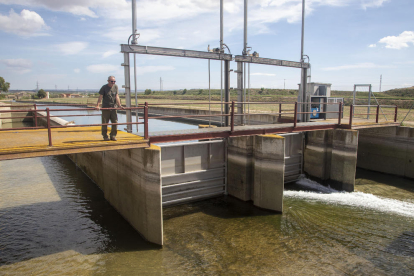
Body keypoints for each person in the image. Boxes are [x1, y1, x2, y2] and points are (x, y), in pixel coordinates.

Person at [96, 76, 124, 141]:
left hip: (113, 108)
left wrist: (119, 105)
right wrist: (97, 105)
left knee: (115, 122)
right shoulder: (104, 87)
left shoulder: (115, 87)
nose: (113, 83)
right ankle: (105, 136)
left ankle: (113, 136)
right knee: (105, 123)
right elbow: (100, 97)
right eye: (112, 81)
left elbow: (117, 96)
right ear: (108, 81)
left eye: (114, 81)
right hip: (106, 108)